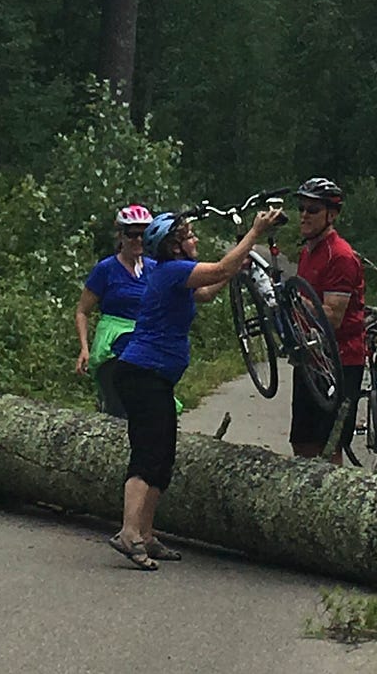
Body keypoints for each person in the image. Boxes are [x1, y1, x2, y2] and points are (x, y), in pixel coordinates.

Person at [107, 205, 284, 570]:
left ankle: (146, 533)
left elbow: (205, 291)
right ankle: (128, 532)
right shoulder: (172, 271)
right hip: (142, 374)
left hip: (154, 376)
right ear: (174, 247)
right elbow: (218, 269)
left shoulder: (175, 275)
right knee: (147, 454)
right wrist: (253, 235)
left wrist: (235, 271)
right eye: (188, 236)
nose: (194, 239)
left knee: (163, 457)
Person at [288, 176, 366, 463]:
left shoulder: (341, 256)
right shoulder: (308, 251)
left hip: (339, 361)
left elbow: (331, 317)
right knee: (303, 443)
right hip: (311, 359)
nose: (304, 215)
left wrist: (292, 301)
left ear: (331, 215)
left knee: (328, 446)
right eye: (302, 208)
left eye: (313, 210)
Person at [74, 204, 153, 417]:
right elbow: (82, 311)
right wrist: (84, 348)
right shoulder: (106, 269)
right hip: (114, 348)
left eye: (143, 234)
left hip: (146, 345)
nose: (137, 240)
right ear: (121, 236)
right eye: (131, 234)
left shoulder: (154, 268)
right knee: (120, 410)